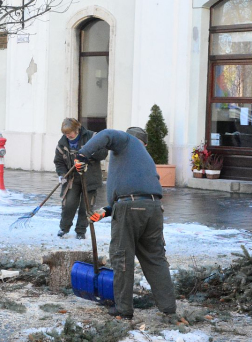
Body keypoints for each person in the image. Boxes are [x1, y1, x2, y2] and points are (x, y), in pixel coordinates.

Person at [76, 127, 176, 321]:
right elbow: (137, 191)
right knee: (155, 258)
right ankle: (169, 308)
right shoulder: (143, 158)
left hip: (129, 209)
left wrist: (82, 155)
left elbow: (106, 134)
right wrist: (106, 211)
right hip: (153, 208)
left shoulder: (126, 141)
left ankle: (123, 309)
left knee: (121, 258)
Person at [53, 118, 107, 239]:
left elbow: (103, 153)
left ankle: (81, 231)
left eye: (70, 132)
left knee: (86, 207)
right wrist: (62, 174)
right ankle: (64, 228)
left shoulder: (92, 137)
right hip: (72, 179)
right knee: (69, 204)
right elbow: (59, 161)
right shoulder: (63, 143)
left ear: (77, 128)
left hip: (90, 178)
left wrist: (87, 155)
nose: (68, 135)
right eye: (65, 133)